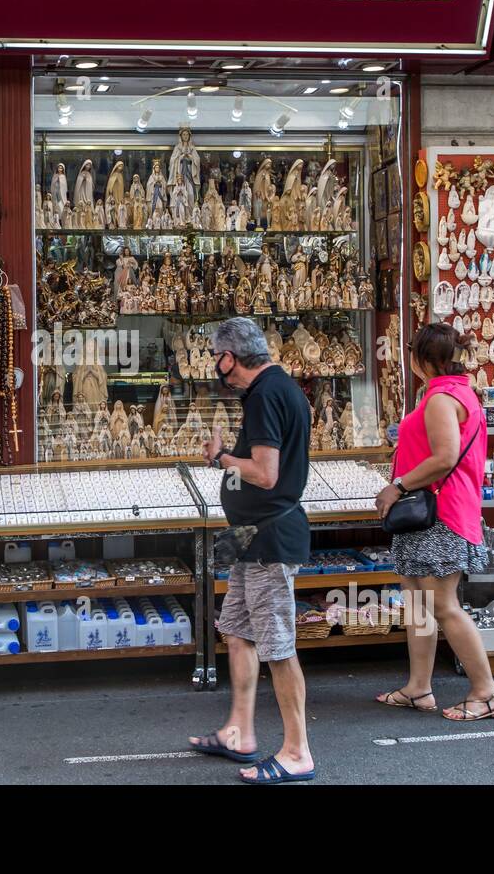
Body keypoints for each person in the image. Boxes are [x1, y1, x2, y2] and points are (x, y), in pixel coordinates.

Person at [187, 317, 315, 784]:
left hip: (269, 538)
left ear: (230, 357)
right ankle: (239, 732)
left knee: (278, 645)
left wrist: (220, 457)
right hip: (250, 536)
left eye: (215, 356)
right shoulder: (278, 389)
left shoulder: (265, 395)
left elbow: (265, 473)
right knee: (238, 630)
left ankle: (298, 751)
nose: (214, 365)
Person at [373, 322, 494, 721]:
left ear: (424, 358)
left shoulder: (441, 399)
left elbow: (445, 457)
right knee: (417, 599)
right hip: (436, 510)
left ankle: (487, 692)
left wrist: (396, 485)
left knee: (442, 604)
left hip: (439, 511)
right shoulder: (454, 392)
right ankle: (419, 687)